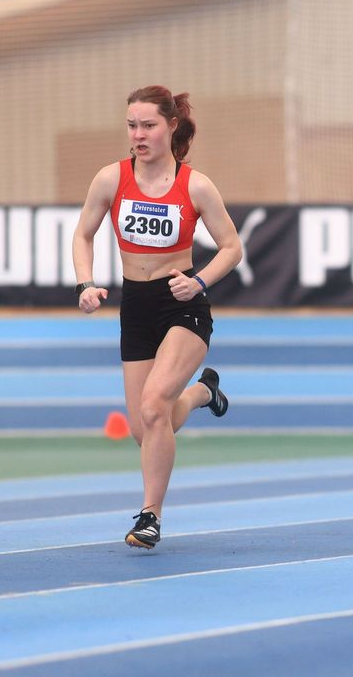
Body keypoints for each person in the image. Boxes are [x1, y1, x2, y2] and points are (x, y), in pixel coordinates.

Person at [73, 86, 243, 549]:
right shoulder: (111, 178)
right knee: (143, 427)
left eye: (148, 125)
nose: (139, 135)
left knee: (153, 408)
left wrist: (199, 282)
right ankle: (204, 392)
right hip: (136, 307)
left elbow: (232, 247)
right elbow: (83, 234)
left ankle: (151, 516)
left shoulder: (196, 185)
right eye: (132, 125)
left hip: (182, 305)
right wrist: (85, 284)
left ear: (171, 126)